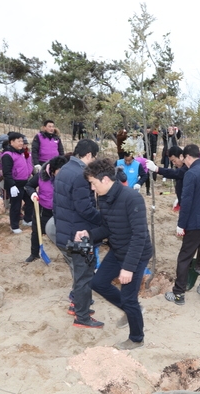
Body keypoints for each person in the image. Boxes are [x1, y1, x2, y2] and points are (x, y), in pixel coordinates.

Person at [74, 158, 153, 350]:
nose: (92, 189)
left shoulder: (132, 198)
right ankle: (129, 309)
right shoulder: (104, 197)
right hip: (118, 249)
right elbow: (107, 228)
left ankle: (136, 338)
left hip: (136, 253)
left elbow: (139, 235)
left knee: (129, 297)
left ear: (106, 180)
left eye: (93, 183)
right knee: (98, 283)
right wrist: (89, 234)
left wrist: (129, 268)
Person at [53, 139, 103, 328]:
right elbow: (85, 208)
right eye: (94, 157)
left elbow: (57, 205)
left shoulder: (64, 170)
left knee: (79, 273)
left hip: (65, 231)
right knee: (85, 276)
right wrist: (102, 221)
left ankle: (77, 305)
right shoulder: (82, 175)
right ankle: (82, 317)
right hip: (79, 234)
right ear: (89, 155)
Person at [165, 144, 200, 305]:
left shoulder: (191, 174)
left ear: (188, 157)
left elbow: (187, 202)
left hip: (195, 224)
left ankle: (178, 294)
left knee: (185, 256)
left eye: (184, 158)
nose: (184, 162)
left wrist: (181, 224)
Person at [23, 155, 68, 263]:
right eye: (60, 171)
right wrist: (33, 194)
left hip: (60, 210)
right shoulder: (41, 175)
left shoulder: (67, 177)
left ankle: (67, 255)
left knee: (62, 233)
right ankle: (34, 254)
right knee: (36, 232)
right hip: (43, 209)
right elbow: (29, 185)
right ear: (52, 169)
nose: (62, 173)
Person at [1, 132, 34, 233]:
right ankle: (14, 226)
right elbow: (7, 172)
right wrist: (12, 185)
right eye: (18, 141)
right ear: (12, 142)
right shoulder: (7, 155)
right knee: (16, 205)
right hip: (15, 184)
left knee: (30, 201)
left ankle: (27, 219)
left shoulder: (21, 153)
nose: (21, 143)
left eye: (22, 141)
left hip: (24, 182)